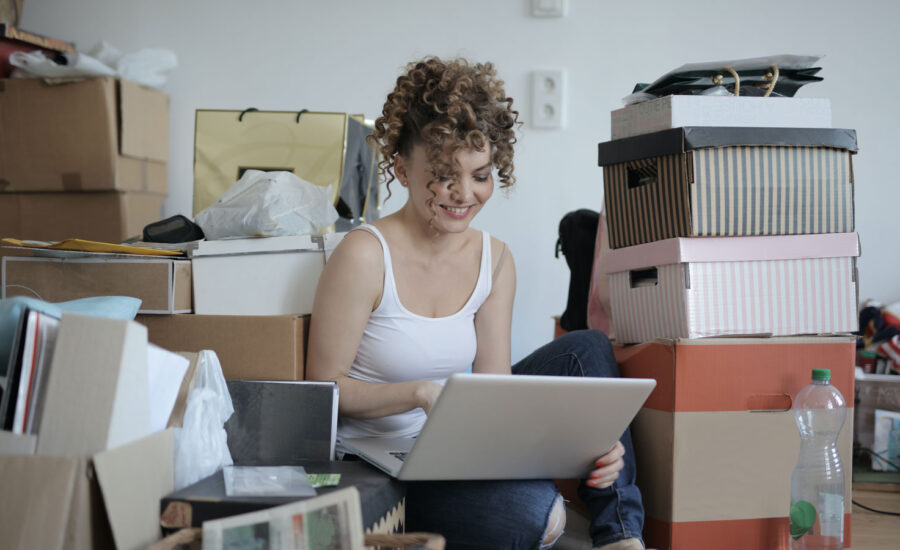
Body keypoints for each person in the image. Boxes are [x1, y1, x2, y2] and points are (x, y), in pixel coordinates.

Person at [307, 57, 645, 550]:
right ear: (402, 168)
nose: (463, 194)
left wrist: (589, 444)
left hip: (458, 445)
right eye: (443, 175)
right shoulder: (363, 254)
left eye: (481, 175)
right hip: (381, 462)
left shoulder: (496, 259)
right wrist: (420, 393)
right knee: (539, 516)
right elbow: (324, 389)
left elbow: (494, 393)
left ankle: (620, 535)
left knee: (587, 349)